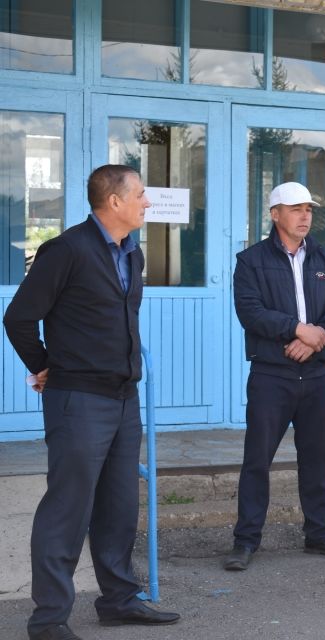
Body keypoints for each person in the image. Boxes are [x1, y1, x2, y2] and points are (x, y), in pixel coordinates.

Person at [3, 165, 180, 640]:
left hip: (124, 399)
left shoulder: (132, 253)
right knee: (68, 508)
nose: (147, 202)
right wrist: (46, 365)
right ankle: (48, 620)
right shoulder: (66, 250)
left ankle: (119, 600)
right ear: (115, 202)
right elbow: (19, 317)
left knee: (119, 507)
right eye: (141, 195)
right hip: (78, 400)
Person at [225, 182, 325, 571]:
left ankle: (319, 534)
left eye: (309, 209)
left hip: (316, 373)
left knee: (316, 457)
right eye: (296, 209)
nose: (305, 216)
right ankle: (245, 541)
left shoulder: (323, 257)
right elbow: (250, 312)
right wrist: (298, 329)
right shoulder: (250, 261)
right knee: (257, 460)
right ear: (275, 214)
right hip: (272, 375)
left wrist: (317, 338)